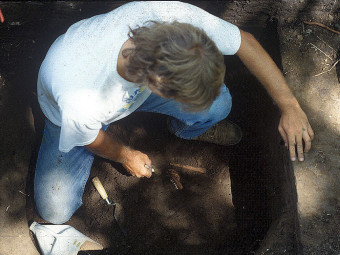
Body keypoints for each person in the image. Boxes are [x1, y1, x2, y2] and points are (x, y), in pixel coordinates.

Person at [34, 1, 314, 224]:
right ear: (157, 83)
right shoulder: (78, 94)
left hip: (128, 94)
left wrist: (290, 105)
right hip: (72, 119)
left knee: (218, 105)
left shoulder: (169, 16)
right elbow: (90, 137)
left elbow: (245, 42)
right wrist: (126, 155)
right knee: (54, 211)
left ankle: (184, 128)